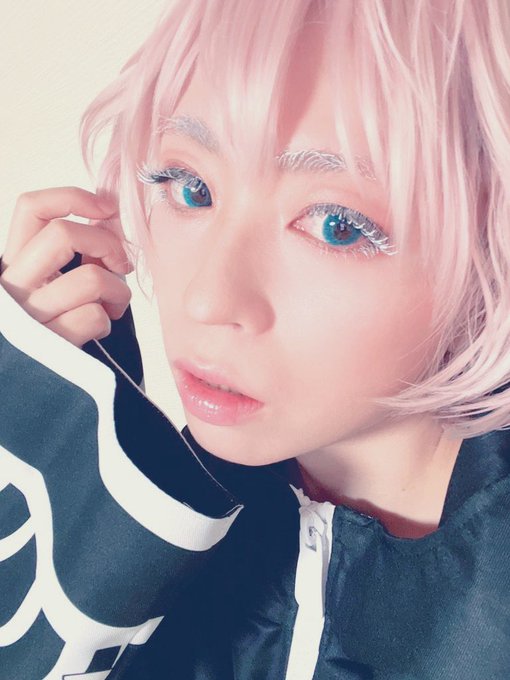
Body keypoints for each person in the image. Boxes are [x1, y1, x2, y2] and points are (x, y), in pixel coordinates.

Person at [1, 0, 510, 677]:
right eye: (191, 187)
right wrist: (36, 454)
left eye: (336, 225)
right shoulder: (156, 511)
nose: (206, 299)